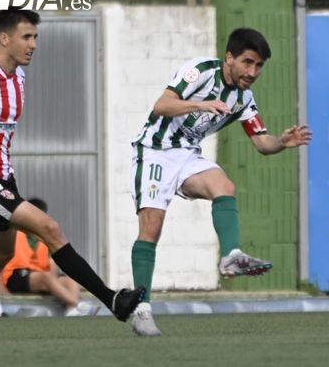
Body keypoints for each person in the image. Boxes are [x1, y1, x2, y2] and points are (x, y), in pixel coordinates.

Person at [0, 8, 144, 340]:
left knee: (0, 253)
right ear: (4, 38)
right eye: (26, 37)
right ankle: (114, 300)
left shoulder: (20, 78)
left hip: (3, 179)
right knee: (50, 228)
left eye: (35, 37)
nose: (33, 44)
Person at [128, 27, 312, 336]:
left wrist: (282, 141)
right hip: (155, 151)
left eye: (259, 66)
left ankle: (231, 257)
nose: (252, 72)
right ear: (229, 58)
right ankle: (142, 310)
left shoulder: (244, 98)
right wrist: (202, 104)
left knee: (225, 187)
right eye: (247, 62)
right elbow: (161, 105)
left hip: (187, 155)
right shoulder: (200, 71)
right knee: (152, 227)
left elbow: (262, 143)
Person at [1, 198, 93, 317]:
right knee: (45, 277)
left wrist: (56, 281)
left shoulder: (45, 238)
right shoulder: (12, 233)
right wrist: (2, 289)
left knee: (69, 279)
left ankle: (71, 310)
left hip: (40, 276)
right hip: (16, 276)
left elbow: (52, 267)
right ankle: (77, 304)